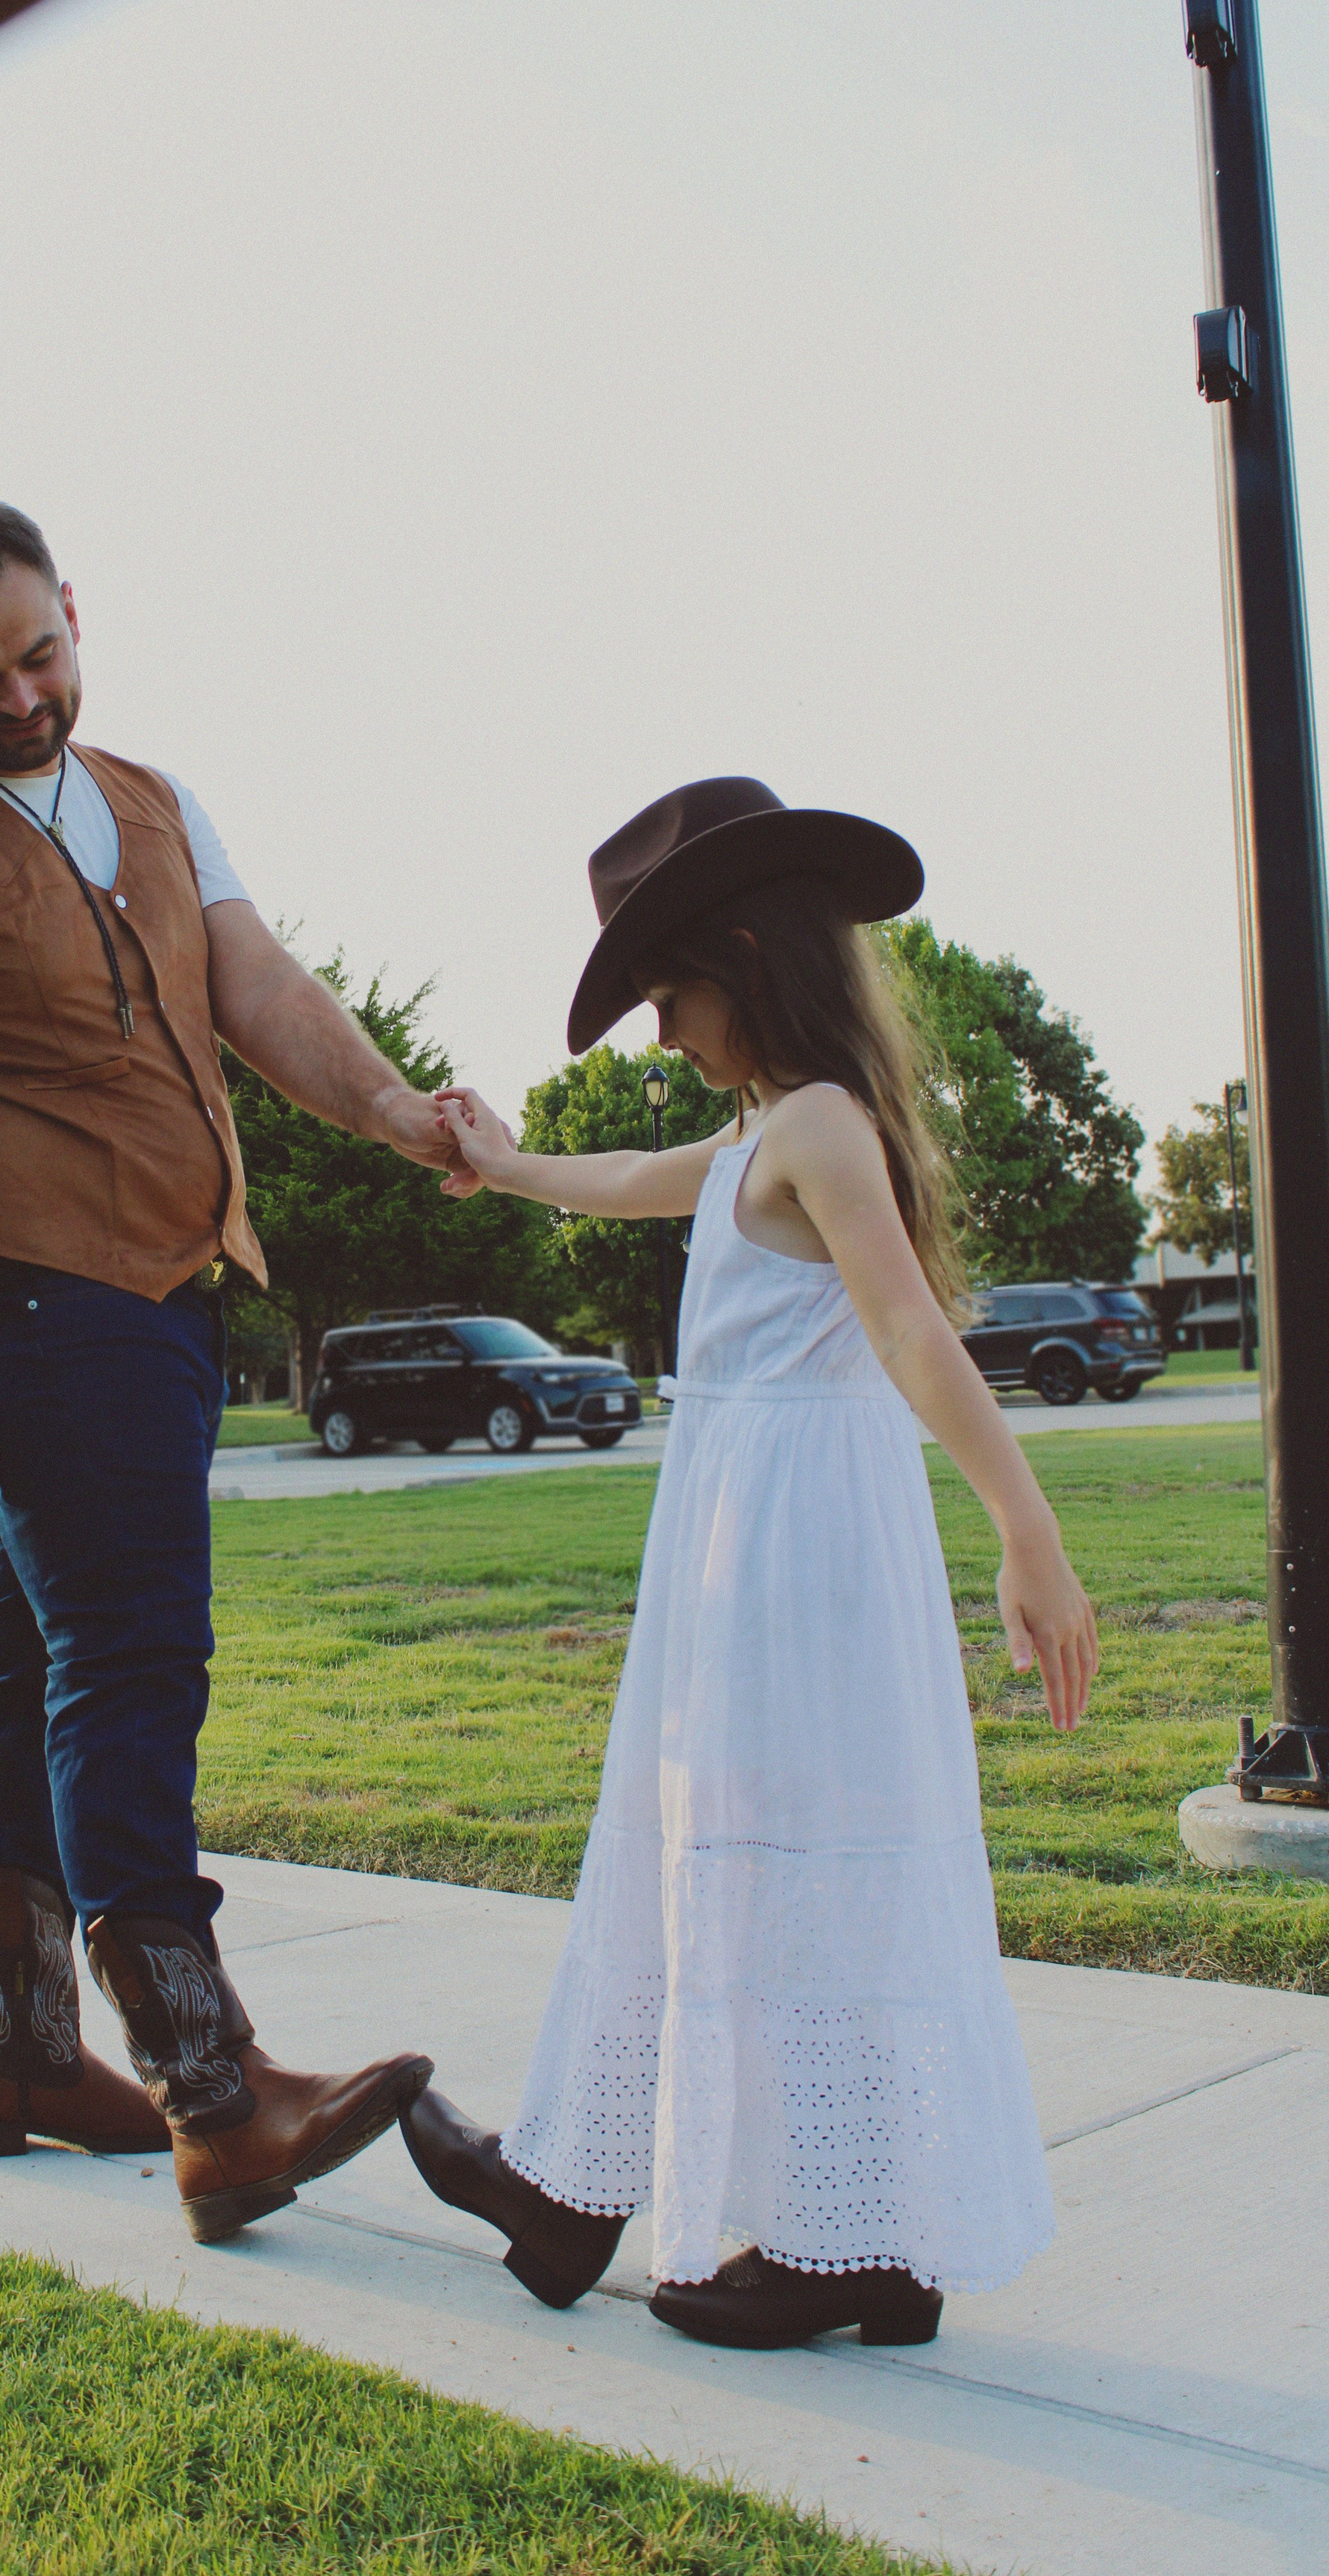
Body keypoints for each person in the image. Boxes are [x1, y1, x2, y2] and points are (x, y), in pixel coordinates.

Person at [0, 499, 440, 2245]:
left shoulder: (150, 800)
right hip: (34, 1308)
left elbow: (257, 987)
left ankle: (9, 2059)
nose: (16, 699)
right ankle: (212, 2094)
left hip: (164, 1295)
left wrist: (396, 1111)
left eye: (38, 657)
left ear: (73, 613)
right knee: (133, 1661)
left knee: (29, 1671)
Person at [404, 776, 1096, 2347]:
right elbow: (628, 1180)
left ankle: (833, 2238)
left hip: (796, 1556)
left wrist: (1028, 1533)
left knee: (777, 1858)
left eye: (666, 998)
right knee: (723, 1847)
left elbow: (910, 1332)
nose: (660, 1035)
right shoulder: (759, 1138)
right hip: (749, 1540)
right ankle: (668, 2204)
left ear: (742, 957)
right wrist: (503, 1164)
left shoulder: (819, 1126)